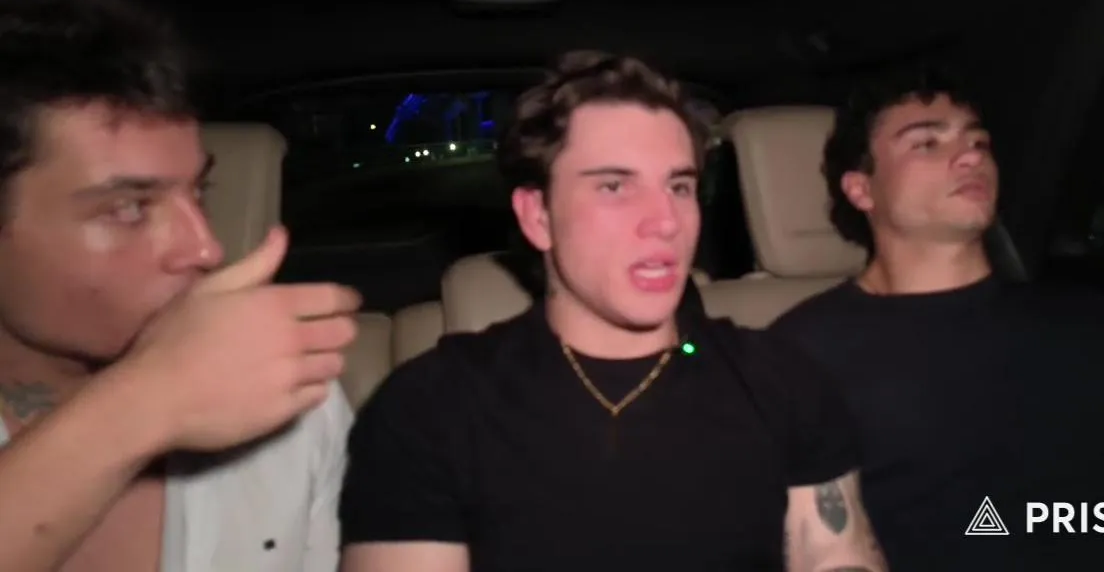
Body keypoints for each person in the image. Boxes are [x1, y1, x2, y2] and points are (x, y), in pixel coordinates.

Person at [338, 51, 887, 572]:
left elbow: (834, 552)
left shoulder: (782, 380)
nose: (666, 221)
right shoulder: (432, 407)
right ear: (538, 217)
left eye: (680, 186)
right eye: (615, 186)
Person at [769, 60, 1104, 571]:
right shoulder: (798, 355)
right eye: (927, 143)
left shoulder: (1086, 324)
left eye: (978, 141)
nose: (971, 155)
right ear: (861, 189)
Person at [0, 0, 361, 571]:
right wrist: (143, 405)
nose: (206, 248)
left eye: (199, 191)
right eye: (128, 209)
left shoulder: (290, 399)